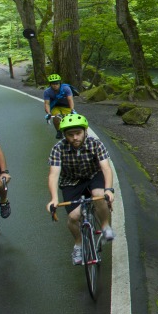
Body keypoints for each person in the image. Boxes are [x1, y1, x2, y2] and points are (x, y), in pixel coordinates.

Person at [46, 112, 115, 265]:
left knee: (99, 195)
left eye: (78, 133)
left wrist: (109, 189)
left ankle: (105, 225)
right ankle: (78, 244)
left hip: (93, 176)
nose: (75, 138)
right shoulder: (58, 149)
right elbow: (53, 175)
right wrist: (54, 198)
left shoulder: (95, 143)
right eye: (70, 135)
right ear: (65, 135)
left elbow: (106, 168)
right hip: (71, 182)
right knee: (73, 217)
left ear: (85, 131)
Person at [42, 73, 75, 138]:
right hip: (55, 106)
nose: (55, 85)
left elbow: (70, 100)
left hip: (66, 105)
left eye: (57, 83)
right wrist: (48, 113)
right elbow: (47, 104)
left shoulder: (66, 88)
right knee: (56, 118)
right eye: (53, 84)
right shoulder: (47, 92)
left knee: (72, 118)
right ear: (50, 84)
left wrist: (72, 110)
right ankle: (59, 131)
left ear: (60, 83)